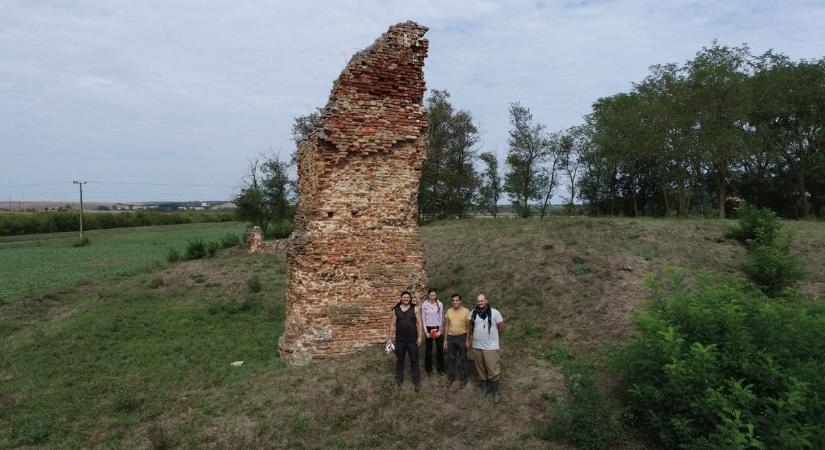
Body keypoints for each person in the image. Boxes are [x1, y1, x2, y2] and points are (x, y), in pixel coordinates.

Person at [466, 293, 505, 403]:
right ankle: (485, 387)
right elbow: (469, 328)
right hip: (477, 346)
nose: (480, 303)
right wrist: (468, 340)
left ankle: (496, 390)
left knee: (492, 369)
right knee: (481, 369)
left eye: (482, 301)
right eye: (478, 301)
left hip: (490, 347)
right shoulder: (472, 313)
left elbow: (501, 327)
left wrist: (492, 338)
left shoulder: (494, 312)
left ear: (486, 301)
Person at [387, 291, 423, 391]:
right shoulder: (396, 310)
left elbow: (419, 323)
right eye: (404, 297)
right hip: (400, 340)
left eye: (408, 297)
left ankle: (416, 381)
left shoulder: (415, 308)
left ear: (410, 298)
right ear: (401, 298)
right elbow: (393, 325)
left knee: (414, 361)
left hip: (412, 340)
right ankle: (399, 380)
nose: (406, 299)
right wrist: (389, 339)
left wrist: (420, 337)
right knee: (400, 360)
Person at [442, 293, 470, 388]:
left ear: (460, 301)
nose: (455, 302)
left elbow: (469, 327)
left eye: (457, 300)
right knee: (451, 358)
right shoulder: (449, 311)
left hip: (462, 337)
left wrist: (468, 340)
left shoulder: (466, 311)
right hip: (451, 338)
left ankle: (463, 378)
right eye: (453, 300)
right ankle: (451, 377)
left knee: (463, 359)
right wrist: (445, 340)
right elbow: (446, 326)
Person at [420, 288, 445, 376]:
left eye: (434, 295)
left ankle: (440, 369)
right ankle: (428, 369)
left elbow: (442, 318)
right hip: (428, 328)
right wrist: (425, 331)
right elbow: (423, 318)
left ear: (436, 295)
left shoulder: (440, 304)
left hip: (437, 328)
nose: (433, 297)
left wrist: (440, 331)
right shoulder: (424, 305)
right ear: (428, 295)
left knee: (439, 349)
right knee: (428, 350)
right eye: (431, 295)